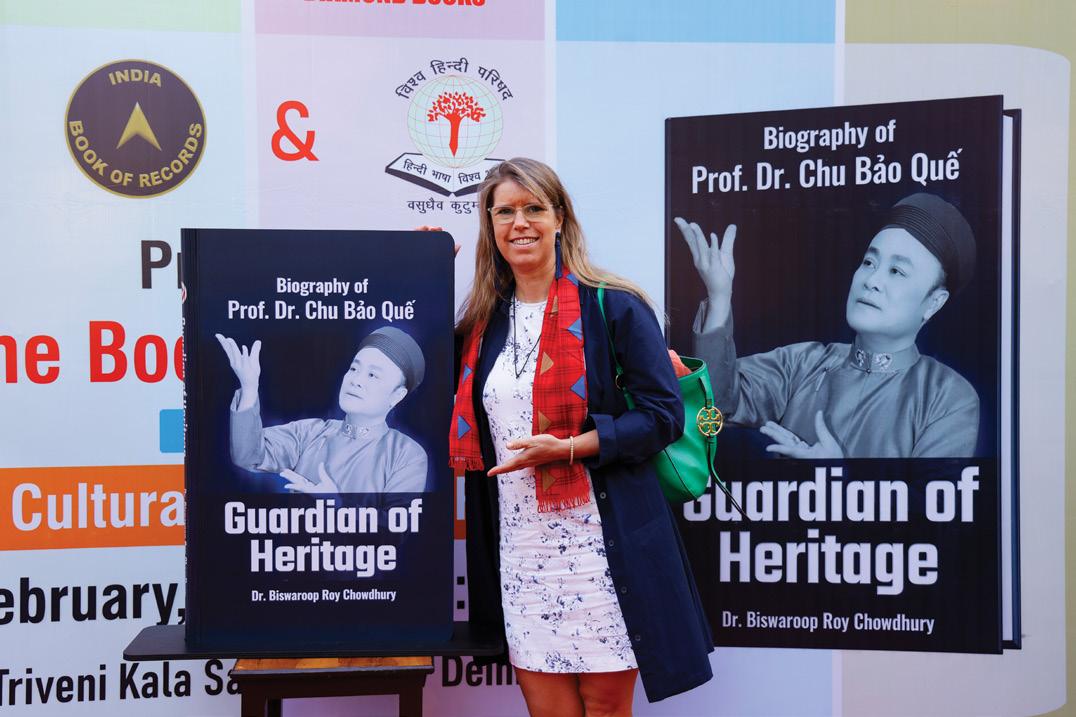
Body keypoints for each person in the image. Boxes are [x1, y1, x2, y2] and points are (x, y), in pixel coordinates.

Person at [445, 157, 713, 716]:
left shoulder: (614, 305)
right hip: (521, 550)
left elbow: (663, 416)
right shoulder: (482, 324)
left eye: (534, 209)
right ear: (490, 225)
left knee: (606, 708)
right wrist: (421, 266)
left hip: (602, 548)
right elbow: (417, 369)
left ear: (559, 218)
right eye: (505, 212)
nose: (520, 223)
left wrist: (570, 447)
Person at [675, 192, 980, 459]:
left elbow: (935, 502)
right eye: (869, 262)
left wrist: (838, 478)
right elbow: (715, 406)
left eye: (897, 271)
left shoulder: (947, 397)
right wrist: (719, 297)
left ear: (934, 302)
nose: (872, 280)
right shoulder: (802, 364)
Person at [216, 326, 429, 493]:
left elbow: (397, 526)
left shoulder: (406, 454)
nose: (356, 380)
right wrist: (249, 388)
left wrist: (337, 506)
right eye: (354, 368)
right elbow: (249, 456)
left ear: (397, 395)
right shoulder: (309, 433)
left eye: (372, 375)